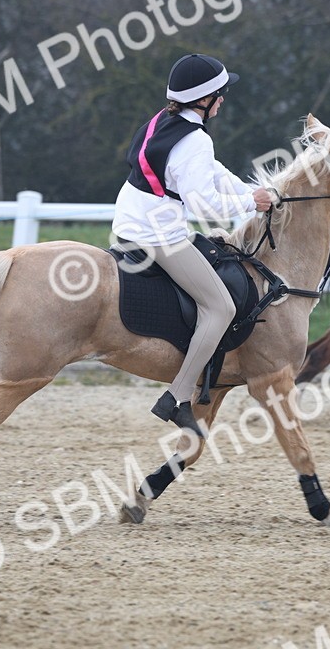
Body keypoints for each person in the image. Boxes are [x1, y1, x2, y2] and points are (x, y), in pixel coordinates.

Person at [112, 53, 274, 437]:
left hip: (129, 221)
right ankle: (177, 397)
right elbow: (205, 206)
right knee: (221, 306)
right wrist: (251, 204)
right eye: (220, 93)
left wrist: (249, 189)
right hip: (158, 236)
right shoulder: (196, 140)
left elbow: (213, 173)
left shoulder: (163, 121)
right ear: (204, 99)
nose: (223, 99)